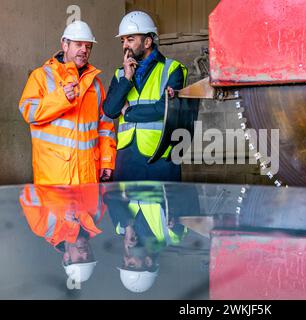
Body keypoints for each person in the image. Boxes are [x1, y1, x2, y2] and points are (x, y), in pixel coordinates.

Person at [19, 20, 116, 185]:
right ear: (64, 45)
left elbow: (105, 126)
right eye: (78, 44)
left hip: (87, 177)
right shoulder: (41, 76)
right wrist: (60, 98)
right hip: (54, 177)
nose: (84, 50)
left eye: (88, 46)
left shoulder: (95, 84)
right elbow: (28, 112)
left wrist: (107, 160)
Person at [103, 11, 187, 182]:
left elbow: (163, 108)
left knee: (160, 208)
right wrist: (127, 78)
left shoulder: (172, 69)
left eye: (130, 39)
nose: (125, 45)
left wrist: (128, 113)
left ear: (147, 41)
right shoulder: (120, 74)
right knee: (126, 209)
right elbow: (110, 110)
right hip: (126, 159)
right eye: (123, 40)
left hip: (160, 158)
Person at [19, 184, 104, 283]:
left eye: (80, 260)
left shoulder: (42, 227)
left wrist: (61, 207)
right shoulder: (95, 218)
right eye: (90, 257)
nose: (85, 254)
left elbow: (27, 193)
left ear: (66, 258)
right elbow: (102, 184)